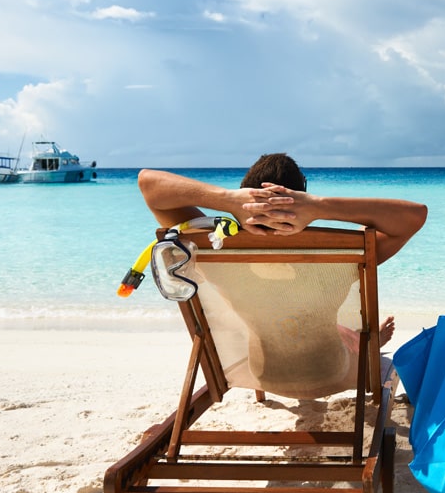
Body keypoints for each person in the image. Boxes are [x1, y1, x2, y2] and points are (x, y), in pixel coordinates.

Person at [138, 153, 427, 397]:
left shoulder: (212, 250)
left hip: (265, 373)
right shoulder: (341, 255)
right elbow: (415, 216)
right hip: (330, 371)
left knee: (287, 312)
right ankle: (369, 345)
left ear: (243, 196)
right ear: (300, 195)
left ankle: (360, 340)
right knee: (321, 318)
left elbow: (149, 184)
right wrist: (319, 207)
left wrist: (227, 200)